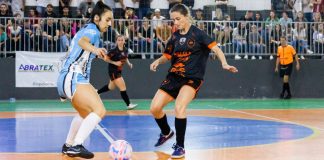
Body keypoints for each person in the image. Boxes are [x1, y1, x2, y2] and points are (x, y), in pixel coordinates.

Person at [149, 4, 238, 159]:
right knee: (155, 108)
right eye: (173, 20)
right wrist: (158, 61)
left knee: (179, 107)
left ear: (186, 16)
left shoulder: (198, 34)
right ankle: (166, 132)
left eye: (178, 19)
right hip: (174, 77)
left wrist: (224, 63)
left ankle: (180, 146)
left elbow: (216, 49)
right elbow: (167, 56)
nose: (175, 22)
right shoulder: (174, 36)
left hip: (192, 78)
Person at [56, 1, 113, 159]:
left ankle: (68, 145)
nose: (110, 23)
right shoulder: (92, 31)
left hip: (67, 78)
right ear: (96, 18)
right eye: (107, 19)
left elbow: (81, 49)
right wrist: (95, 49)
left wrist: (98, 53)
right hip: (74, 77)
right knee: (99, 110)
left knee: (84, 113)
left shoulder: (88, 30)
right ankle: (76, 145)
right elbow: (82, 43)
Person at [97, 35, 138, 110]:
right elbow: (105, 59)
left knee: (110, 87)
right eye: (119, 40)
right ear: (116, 41)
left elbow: (125, 57)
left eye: (122, 40)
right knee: (123, 87)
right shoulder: (113, 51)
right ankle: (128, 104)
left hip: (119, 70)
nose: (120, 41)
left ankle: (97, 92)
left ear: (124, 41)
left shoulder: (125, 49)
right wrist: (115, 63)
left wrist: (129, 64)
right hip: (113, 71)